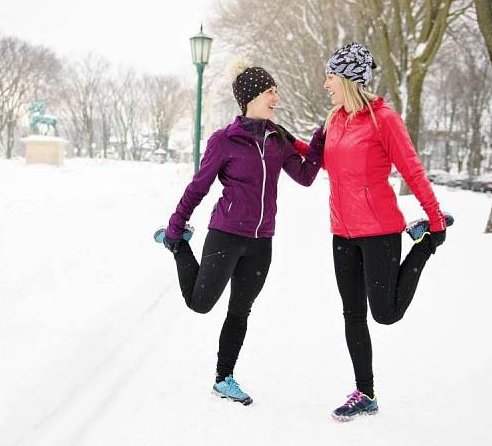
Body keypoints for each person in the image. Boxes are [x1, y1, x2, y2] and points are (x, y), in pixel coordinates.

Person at [155, 60, 325, 406]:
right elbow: (198, 188)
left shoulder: (279, 139)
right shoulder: (225, 141)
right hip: (226, 234)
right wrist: (176, 226)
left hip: (262, 242)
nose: (276, 97)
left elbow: (306, 176)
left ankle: (224, 378)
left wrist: (321, 139)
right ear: (251, 96)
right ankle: (177, 246)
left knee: (240, 311)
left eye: (276, 90)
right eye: (270, 91)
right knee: (200, 304)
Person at [320, 43, 452, 421]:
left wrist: (436, 217)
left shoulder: (384, 119)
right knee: (351, 314)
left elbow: (412, 169)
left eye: (330, 76)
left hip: (379, 230)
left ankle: (423, 245)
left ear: (348, 79)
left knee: (386, 314)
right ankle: (366, 393)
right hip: (342, 232)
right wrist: (276, 136)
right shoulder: (334, 120)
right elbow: (317, 160)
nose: (325, 84)